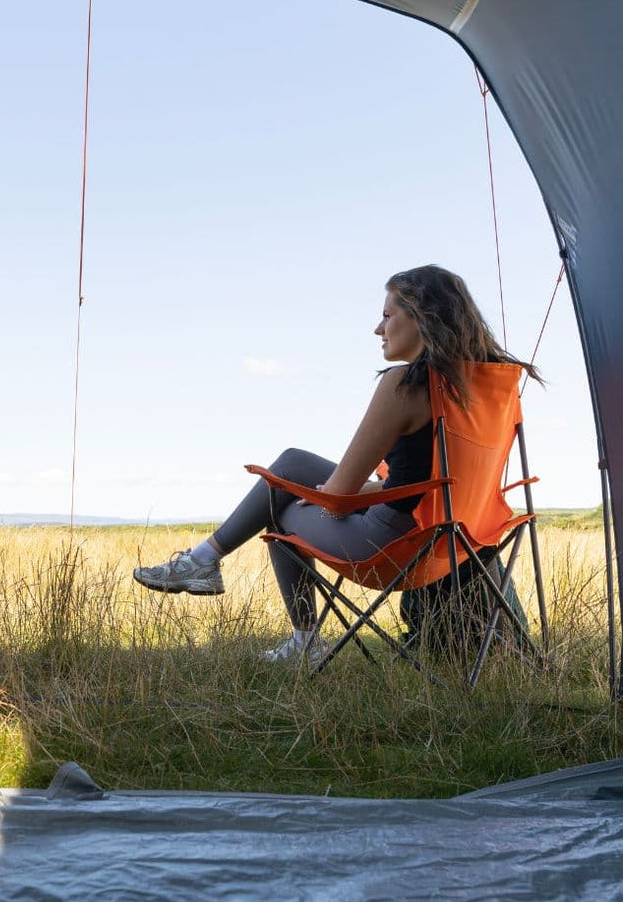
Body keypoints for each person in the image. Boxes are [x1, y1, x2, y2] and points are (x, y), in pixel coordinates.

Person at [133, 265, 541, 666]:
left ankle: (296, 635)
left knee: (279, 504)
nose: (378, 330)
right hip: (457, 544)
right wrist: (326, 494)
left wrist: (318, 498)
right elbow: (425, 484)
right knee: (290, 472)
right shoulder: (491, 388)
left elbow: (339, 497)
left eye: (386, 316)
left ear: (421, 315)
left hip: (393, 551)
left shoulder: (406, 384)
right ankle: (204, 560)